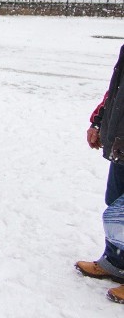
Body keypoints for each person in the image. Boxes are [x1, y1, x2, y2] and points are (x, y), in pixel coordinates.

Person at [75, 44, 124, 304]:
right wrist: (98, 122)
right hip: (121, 140)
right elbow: (116, 90)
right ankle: (116, 261)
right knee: (116, 204)